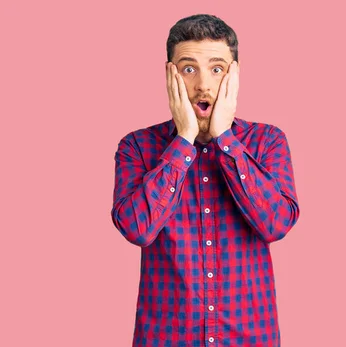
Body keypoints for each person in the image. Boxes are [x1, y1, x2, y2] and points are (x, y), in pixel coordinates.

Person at [110, 14, 300, 347]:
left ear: (235, 75)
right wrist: (183, 140)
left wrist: (225, 138)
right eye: (188, 69)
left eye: (216, 69)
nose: (203, 85)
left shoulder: (268, 141)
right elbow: (137, 229)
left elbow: (276, 224)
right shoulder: (136, 147)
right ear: (170, 74)